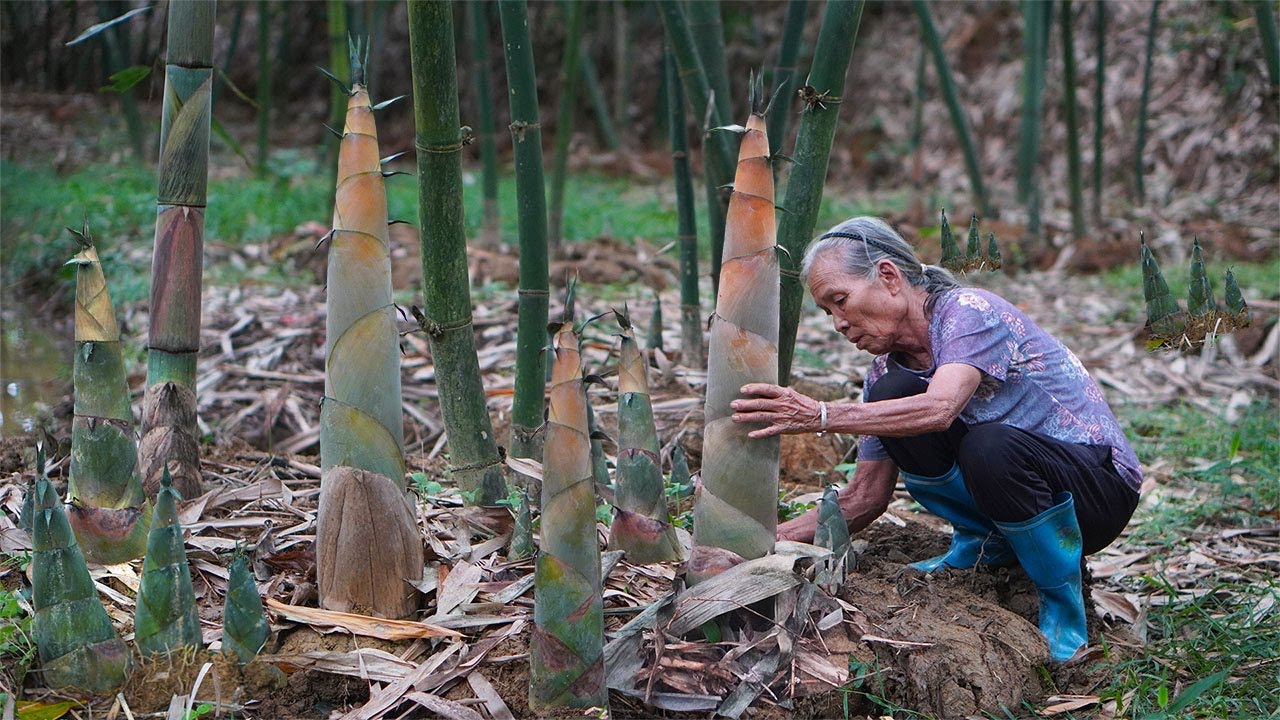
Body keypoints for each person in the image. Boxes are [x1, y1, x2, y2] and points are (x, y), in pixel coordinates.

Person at [730, 217, 1141, 662]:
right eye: (829, 312)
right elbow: (864, 496)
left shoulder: (968, 311)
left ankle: (1064, 609)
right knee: (896, 395)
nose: (839, 324)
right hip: (1017, 490)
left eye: (840, 300)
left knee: (990, 445)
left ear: (888, 276)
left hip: (1096, 493)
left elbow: (940, 408)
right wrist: (760, 542)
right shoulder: (886, 373)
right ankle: (984, 544)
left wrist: (821, 415)